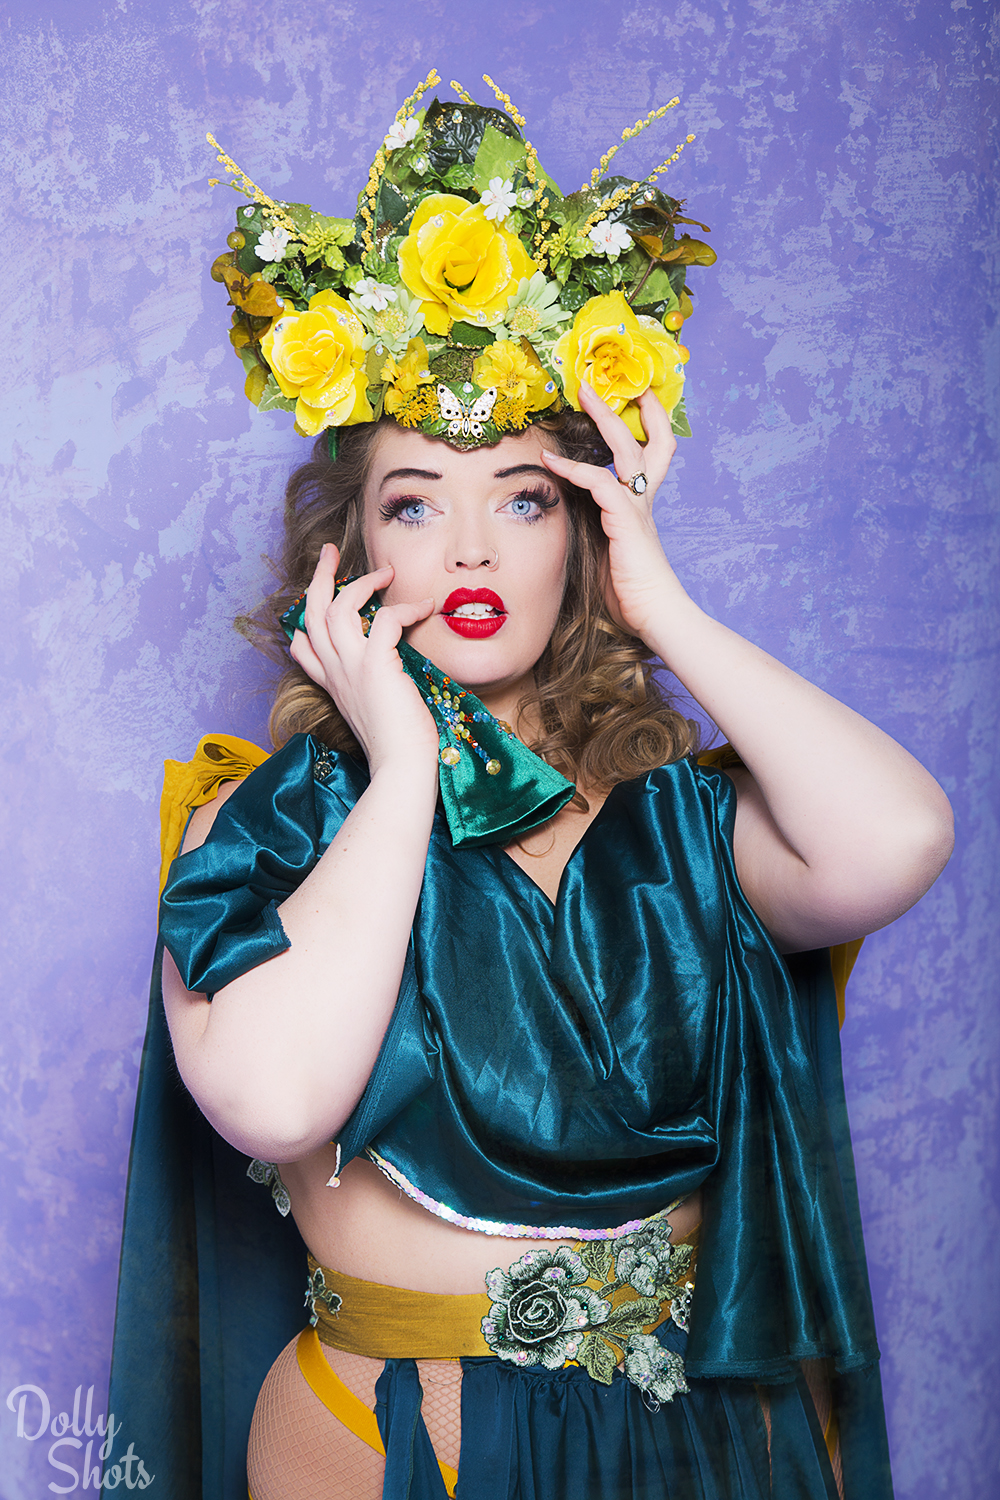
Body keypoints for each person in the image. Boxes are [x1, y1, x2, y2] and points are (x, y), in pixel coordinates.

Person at [107, 76, 953, 1500]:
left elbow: (902, 837)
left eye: (524, 496)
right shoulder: (261, 828)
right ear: (347, 552)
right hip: (392, 1440)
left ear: (583, 533)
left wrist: (662, 604)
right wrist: (403, 772)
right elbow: (274, 1097)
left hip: (695, 1443)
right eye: (415, 501)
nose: (473, 550)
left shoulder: (685, 822)